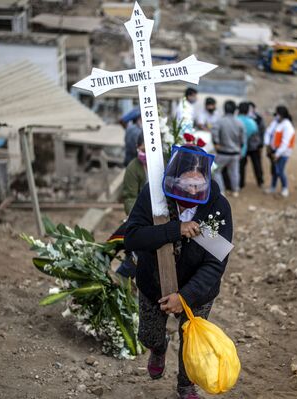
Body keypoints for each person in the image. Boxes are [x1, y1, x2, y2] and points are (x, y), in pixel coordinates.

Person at [125, 144, 232, 399]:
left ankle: (185, 385)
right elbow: (132, 238)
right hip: (154, 281)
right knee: (148, 335)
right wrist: (175, 229)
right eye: (186, 186)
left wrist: (184, 297)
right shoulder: (154, 195)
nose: (193, 191)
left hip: (198, 289)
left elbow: (215, 263)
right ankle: (159, 348)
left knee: (192, 341)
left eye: (199, 185)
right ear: (173, 180)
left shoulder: (216, 207)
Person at [116, 134, 147, 278]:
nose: (146, 154)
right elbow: (130, 196)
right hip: (142, 215)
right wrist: (135, 215)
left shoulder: (163, 163)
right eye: (143, 150)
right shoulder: (133, 168)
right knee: (137, 253)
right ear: (137, 148)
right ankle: (121, 279)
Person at [211, 100, 245, 197]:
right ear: (235, 110)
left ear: (224, 109)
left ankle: (221, 191)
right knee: (234, 172)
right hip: (235, 152)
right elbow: (243, 139)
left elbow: (214, 134)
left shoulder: (220, 121)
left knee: (217, 171)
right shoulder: (239, 122)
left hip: (223, 152)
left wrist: (216, 143)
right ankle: (235, 191)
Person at [264, 106, 295, 198]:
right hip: (274, 150)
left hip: (283, 153)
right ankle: (273, 187)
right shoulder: (276, 122)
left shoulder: (287, 126)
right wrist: (267, 145)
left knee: (280, 171)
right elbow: (268, 132)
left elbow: (285, 143)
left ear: (281, 115)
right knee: (274, 170)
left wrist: (277, 154)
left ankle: (285, 188)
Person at [236, 102, 263, 189]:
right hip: (253, 147)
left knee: (241, 166)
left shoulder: (236, 120)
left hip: (241, 147)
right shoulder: (252, 121)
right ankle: (260, 181)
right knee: (256, 164)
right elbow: (257, 131)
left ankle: (240, 184)